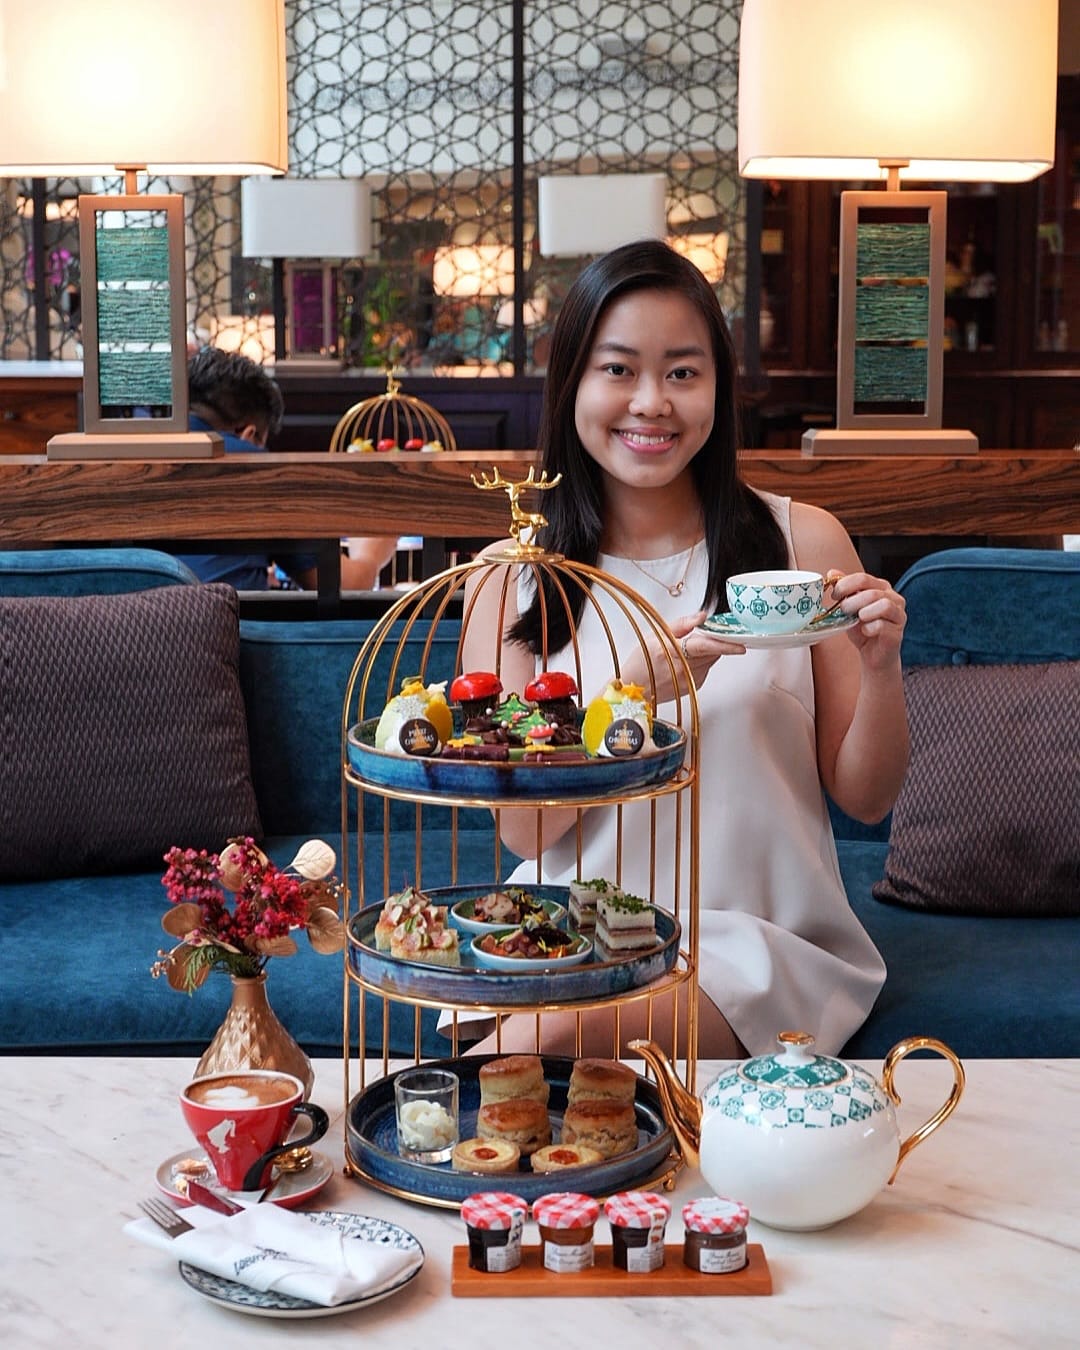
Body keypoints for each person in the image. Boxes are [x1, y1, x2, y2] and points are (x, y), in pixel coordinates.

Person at [459, 239, 909, 1061]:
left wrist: (882, 667)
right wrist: (631, 692)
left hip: (749, 943)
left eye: (682, 373)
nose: (651, 403)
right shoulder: (513, 579)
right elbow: (526, 836)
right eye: (619, 370)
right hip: (568, 933)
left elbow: (867, 799)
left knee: (517, 1068)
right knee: (524, 1094)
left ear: (717, 390)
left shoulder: (800, 542)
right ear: (573, 388)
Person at [177, 347, 396, 591]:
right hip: (226, 625)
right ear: (248, 434)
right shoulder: (256, 466)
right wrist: (371, 556)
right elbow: (342, 586)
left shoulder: (140, 452)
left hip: (134, 624)